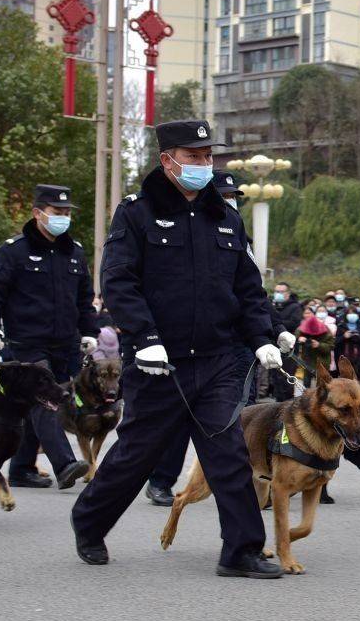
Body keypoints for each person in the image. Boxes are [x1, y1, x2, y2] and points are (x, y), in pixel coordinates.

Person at [69, 120, 292, 575]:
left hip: (217, 361)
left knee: (228, 454)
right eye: (193, 157)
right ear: (167, 160)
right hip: (159, 364)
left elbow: (248, 290)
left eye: (208, 156)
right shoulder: (135, 213)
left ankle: (242, 551)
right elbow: (118, 281)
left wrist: (264, 338)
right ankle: (88, 521)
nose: (203, 165)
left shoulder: (226, 217)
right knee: (137, 455)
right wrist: (145, 340)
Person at [0, 183, 95, 493]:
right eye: (58, 212)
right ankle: (65, 463)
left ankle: (22, 467)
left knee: (39, 406)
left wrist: (90, 331)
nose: (64, 218)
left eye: (68, 213)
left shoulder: (75, 252)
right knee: (45, 401)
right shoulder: (14, 250)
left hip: (65, 342)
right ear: (38, 213)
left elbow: (83, 298)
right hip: (28, 342)